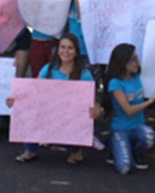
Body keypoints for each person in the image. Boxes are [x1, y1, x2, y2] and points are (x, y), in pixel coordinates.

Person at [10, 33, 104, 164]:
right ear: (58, 50)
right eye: (62, 47)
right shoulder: (48, 69)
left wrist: (97, 110)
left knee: (74, 134)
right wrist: (16, 100)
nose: (66, 51)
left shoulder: (84, 74)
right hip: (48, 114)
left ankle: (76, 151)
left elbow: (93, 101)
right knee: (32, 111)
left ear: (77, 52)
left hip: (70, 118)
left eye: (70, 48)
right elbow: (33, 91)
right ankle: (30, 149)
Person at [104, 43, 155, 174]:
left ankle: (136, 152)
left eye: (136, 58)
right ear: (122, 62)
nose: (136, 63)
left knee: (150, 137)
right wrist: (151, 101)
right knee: (124, 168)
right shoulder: (115, 83)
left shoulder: (137, 76)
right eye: (132, 60)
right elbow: (128, 110)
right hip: (121, 128)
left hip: (137, 126)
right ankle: (114, 146)